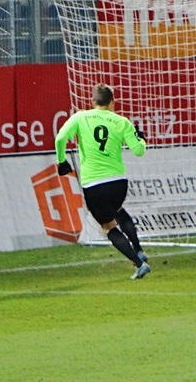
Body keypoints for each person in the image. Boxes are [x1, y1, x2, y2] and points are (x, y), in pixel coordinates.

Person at [54, 84, 150, 279]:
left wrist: (62, 161)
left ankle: (139, 264)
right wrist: (141, 140)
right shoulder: (121, 121)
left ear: (93, 102)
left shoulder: (80, 117)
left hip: (94, 185)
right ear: (112, 102)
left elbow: (60, 138)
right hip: (118, 183)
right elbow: (139, 150)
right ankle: (139, 250)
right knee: (118, 211)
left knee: (108, 226)